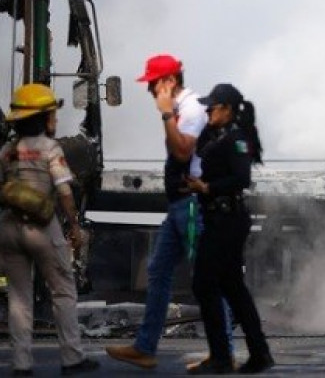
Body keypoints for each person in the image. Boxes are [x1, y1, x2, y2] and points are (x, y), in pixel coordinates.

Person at [107, 54, 211, 369]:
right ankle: (145, 347)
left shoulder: (190, 110)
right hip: (179, 205)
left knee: (209, 276)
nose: (150, 91)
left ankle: (223, 351)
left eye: (153, 84)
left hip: (192, 206)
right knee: (158, 270)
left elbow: (182, 151)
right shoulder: (182, 110)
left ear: (168, 82)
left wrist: (166, 115)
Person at [0, 83, 99, 375]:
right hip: (42, 228)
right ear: (42, 117)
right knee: (63, 290)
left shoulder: (7, 151)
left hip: (8, 227)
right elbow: (65, 192)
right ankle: (72, 358)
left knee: (19, 296)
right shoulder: (50, 148)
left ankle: (21, 363)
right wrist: (75, 227)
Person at [184, 83, 274, 374]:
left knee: (205, 283)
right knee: (232, 288)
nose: (208, 111)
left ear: (227, 109)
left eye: (213, 107)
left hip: (227, 219)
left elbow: (241, 178)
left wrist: (207, 187)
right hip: (218, 217)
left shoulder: (236, 139)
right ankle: (256, 353)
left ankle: (223, 356)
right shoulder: (217, 136)